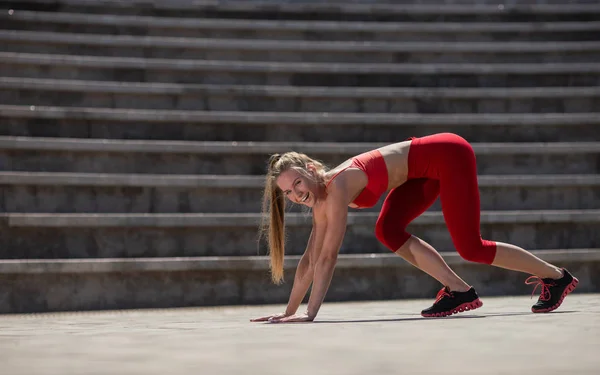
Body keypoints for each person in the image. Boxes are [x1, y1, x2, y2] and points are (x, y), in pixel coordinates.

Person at [250, 132, 579, 323]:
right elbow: (309, 259)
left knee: (471, 247)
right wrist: (288, 312)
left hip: (447, 155)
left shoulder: (335, 188)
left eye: (297, 183)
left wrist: (310, 314)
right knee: (388, 230)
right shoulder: (321, 199)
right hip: (419, 173)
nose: (296, 194)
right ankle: (460, 292)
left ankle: (556, 277)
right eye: (288, 193)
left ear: (310, 168)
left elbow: (327, 258)